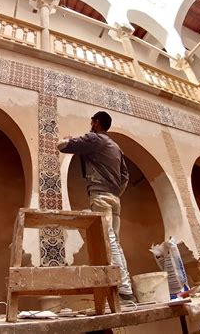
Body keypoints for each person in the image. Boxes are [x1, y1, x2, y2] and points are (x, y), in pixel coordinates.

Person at [57, 111, 136, 302]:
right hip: (114, 199)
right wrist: (115, 192)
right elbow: (125, 176)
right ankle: (126, 290)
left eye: (92, 121)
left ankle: (124, 290)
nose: (90, 124)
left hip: (100, 197)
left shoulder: (95, 139)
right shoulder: (116, 147)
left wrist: (66, 138)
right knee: (115, 242)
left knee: (108, 241)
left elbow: (64, 146)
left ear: (97, 123)